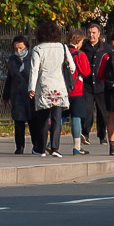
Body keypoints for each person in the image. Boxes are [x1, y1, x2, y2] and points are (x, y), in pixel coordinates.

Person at [27, 21, 72, 158]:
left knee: (43, 118)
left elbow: (34, 70)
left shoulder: (38, 49)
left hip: (44, 85)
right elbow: (72, 66)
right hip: (59, 85)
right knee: (57, 118)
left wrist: (31, 88)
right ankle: (55, 147)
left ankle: (41, 148)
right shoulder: (62, 47)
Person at [0, 36, 33, 153]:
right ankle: (20, 146)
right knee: (18, 122)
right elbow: (9, 78)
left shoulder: (33, 57)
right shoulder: (12, 59)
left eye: (21, 48)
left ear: (26, 47)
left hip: (30, 95)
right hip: (17, 95)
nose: (18, 51)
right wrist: (6, 95)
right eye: (16, 48)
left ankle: (36, 145)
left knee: (32, 122)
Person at [65, 29, 93, 155]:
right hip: (76, 89)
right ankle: (77, 146)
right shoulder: (80, 54)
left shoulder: (63, 52)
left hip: (63, 89)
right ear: (78, 41)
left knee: (61, 116)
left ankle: (51, 143)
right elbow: (86, 72)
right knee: (76, 117)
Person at [83, 23, 110, 146]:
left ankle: (102, 135)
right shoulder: (83, 48)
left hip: (101, 85)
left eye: (94, 32)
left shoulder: (106, 48)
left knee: (102, 112)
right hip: (87, 86)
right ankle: (85, 134)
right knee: (87, 111)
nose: (91, 35)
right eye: (89, 32)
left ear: (99, 34)